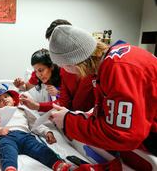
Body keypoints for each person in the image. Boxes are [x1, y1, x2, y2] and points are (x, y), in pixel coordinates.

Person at [48, 25, 157, 156]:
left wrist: (68, 121)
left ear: (73, 63)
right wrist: (74, 116)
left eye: (62, 66)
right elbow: (106, 113)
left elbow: (122, 135)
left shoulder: (118, 69)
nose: (64, 71)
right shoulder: (110, 61)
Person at [0, 86, 73, 171]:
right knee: (7, 151)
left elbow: (35, 124)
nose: (4, 100)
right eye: (0, 100)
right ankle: (10, 168)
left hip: (25, 136)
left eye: (6, 96)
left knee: (40, 148)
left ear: (14, 100)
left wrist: (47, 132)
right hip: (6, 137)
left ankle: (57, 164)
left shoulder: (22, 109)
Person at [20, 19, 95, 113]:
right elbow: (65, 102)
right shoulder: (62, 69)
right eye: (52, 45)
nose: (55, 50)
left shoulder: (94, 67)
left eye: (58, 43)